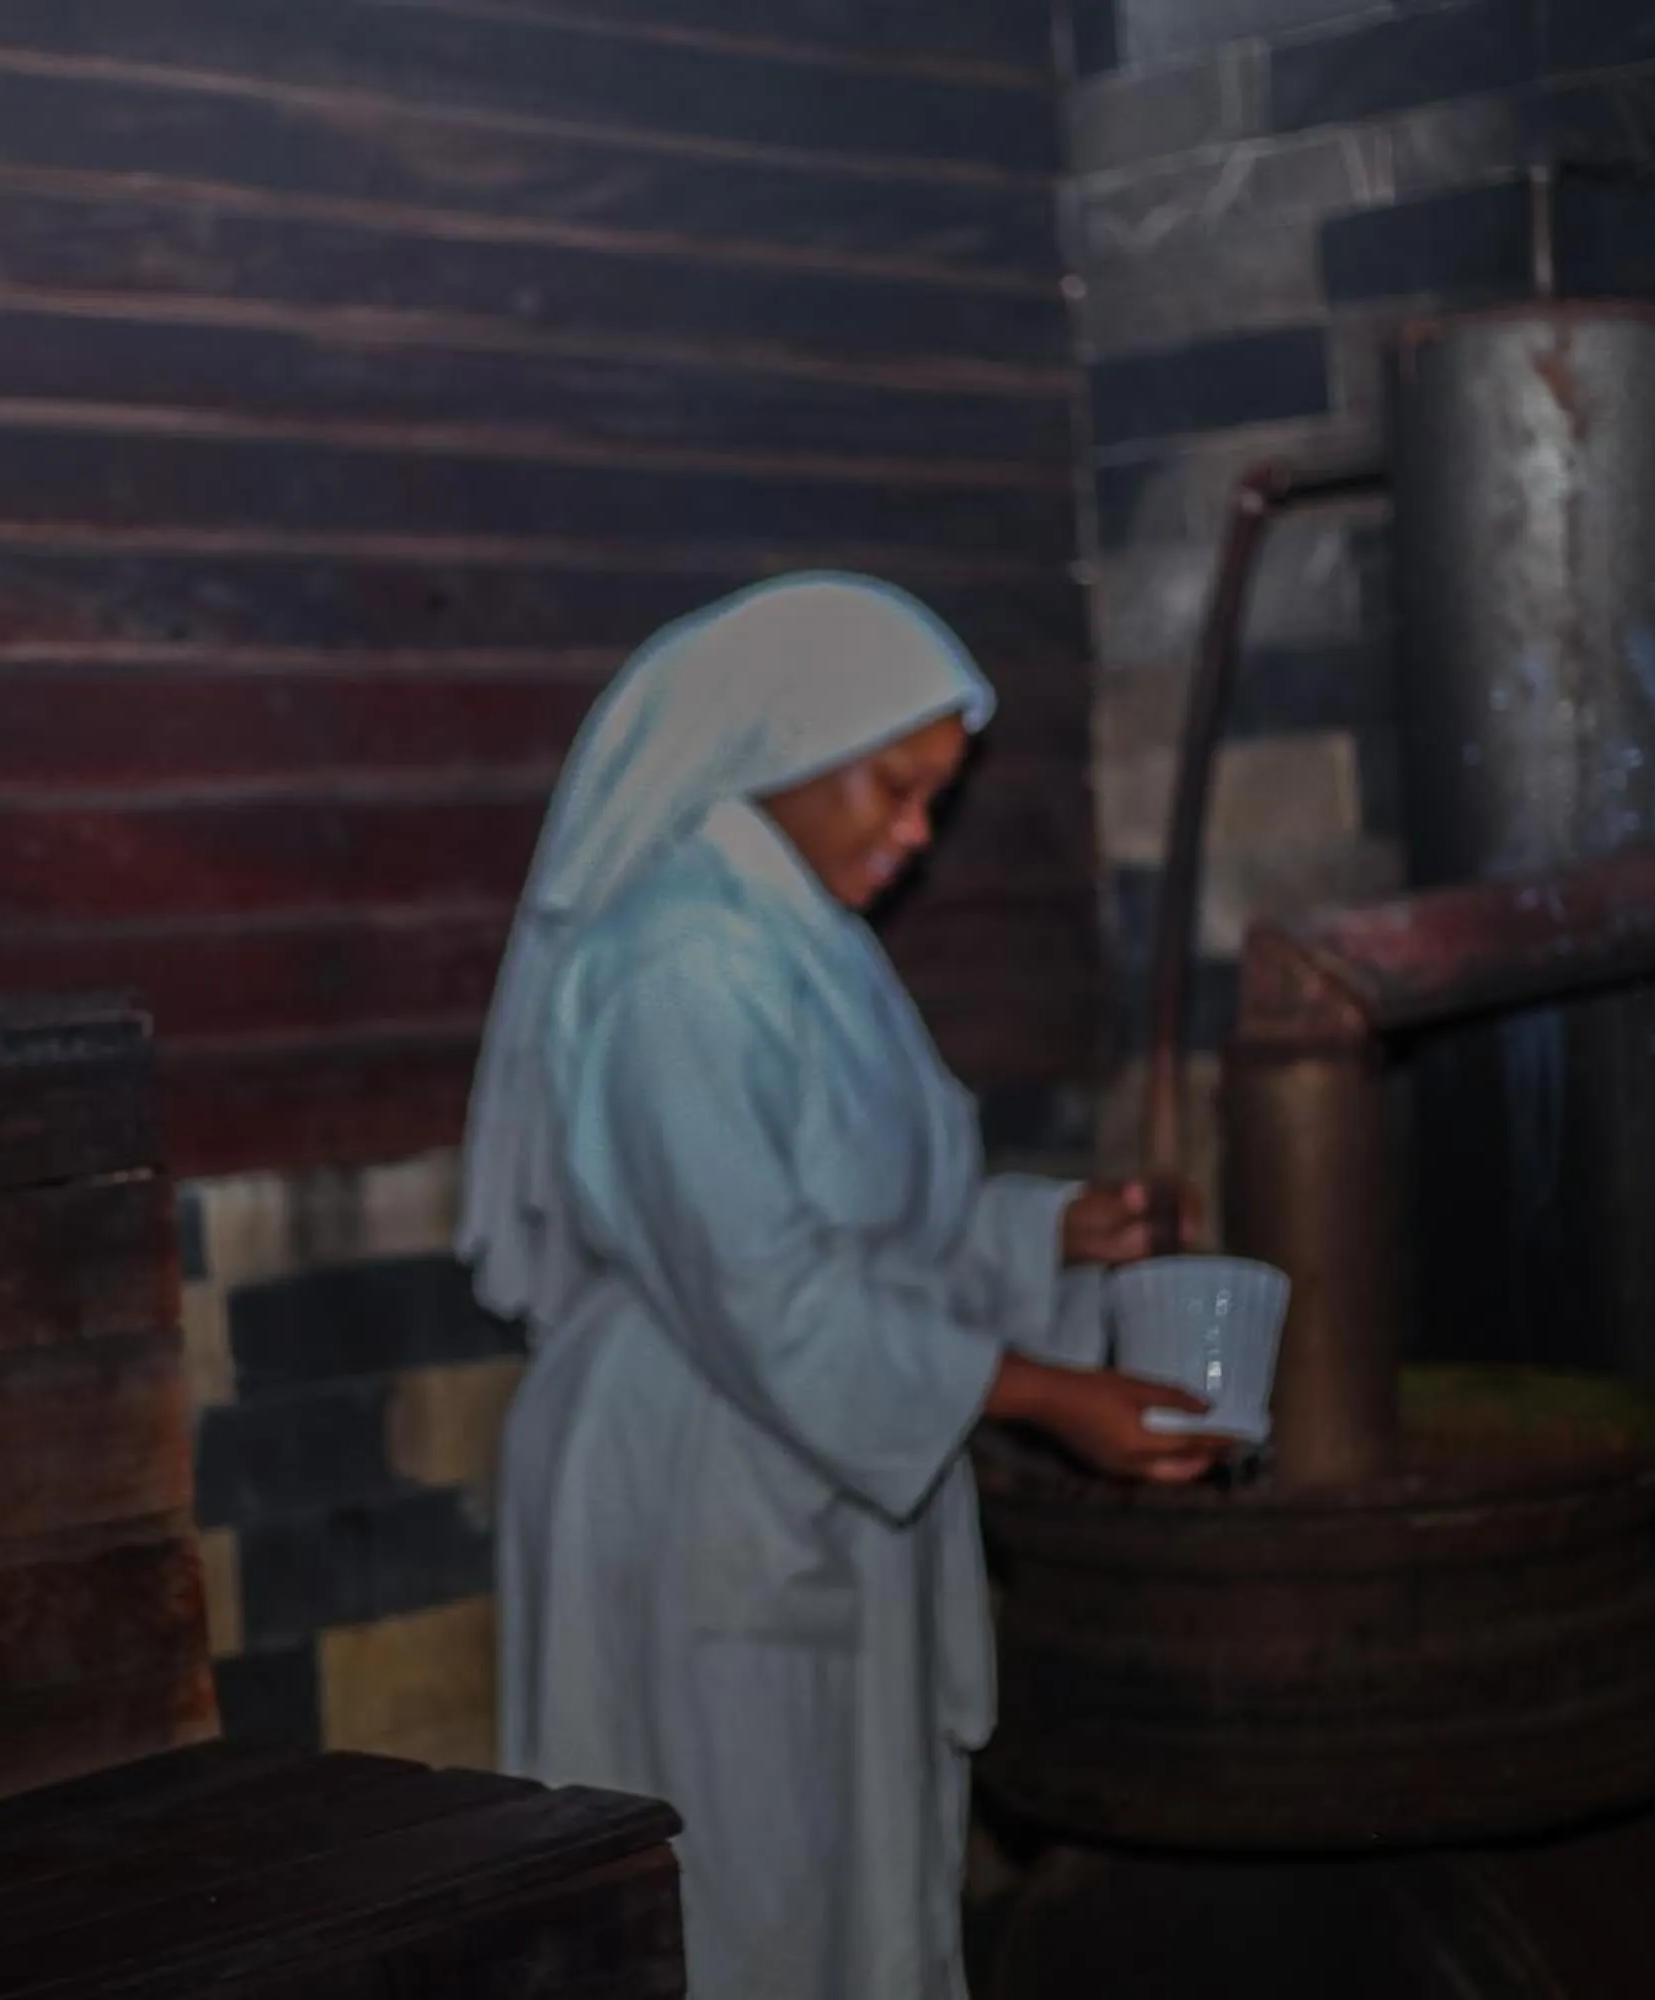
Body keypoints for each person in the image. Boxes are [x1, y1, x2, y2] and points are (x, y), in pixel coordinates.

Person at [457, 572, 1227, 2000]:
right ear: (784, 747)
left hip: (789, 1452)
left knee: (821, 1875)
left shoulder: (805, 940)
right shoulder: (678, 959)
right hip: (695, 1473)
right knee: (736, 1885)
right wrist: (1049, 1393)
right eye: (895, 788)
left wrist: (1054, 1233)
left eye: (934, 796)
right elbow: (764, 1285)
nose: (916, 834)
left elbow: (866, 1220)